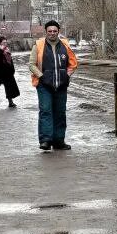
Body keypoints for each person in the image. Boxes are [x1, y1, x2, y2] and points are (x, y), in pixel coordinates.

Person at [28, 20, 78, 151]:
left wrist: (67, 75)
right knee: (46, 111)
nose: (52, 33)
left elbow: (73, 64)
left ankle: (59, 141)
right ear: (46, 32)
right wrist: (41, 76)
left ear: (58, 32)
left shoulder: (65, 45)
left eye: (54, 31)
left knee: (60, 113)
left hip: (61, 85)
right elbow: (31, 64)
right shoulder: (38, 45)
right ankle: (45, 140)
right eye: (49, 31)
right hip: (44, 85)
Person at [0, 36, 19, 108]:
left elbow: (10, 60)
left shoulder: (7, 49)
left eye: (6, 42)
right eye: (3, 42)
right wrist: (1, 50)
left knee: (8, 86)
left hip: (7, 71)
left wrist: (12, 69)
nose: (5, 44)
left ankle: (10, 102)